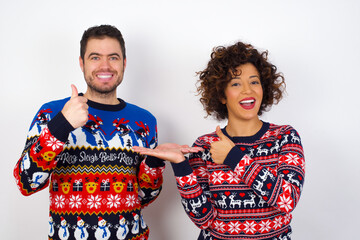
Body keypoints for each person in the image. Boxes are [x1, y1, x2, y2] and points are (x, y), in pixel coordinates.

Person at [133, 41, 305, 240]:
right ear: (222, 95)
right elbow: (203, 219)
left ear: (263, 87)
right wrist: (181, 165)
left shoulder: (285, 137)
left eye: (254, 81)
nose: (247, 90)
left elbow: (287, 200)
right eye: (236, 84)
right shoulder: (205, 145)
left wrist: (234, 158)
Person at [14, 25, 166, 240]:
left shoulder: (145, 121)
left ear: (124, 63)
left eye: (113, 57)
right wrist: (62, 126)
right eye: (95, 57)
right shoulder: (52, 112)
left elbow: (143, 196)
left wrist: (155, 164)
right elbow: (26, 182)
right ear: (81, 63)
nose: (105, 65)